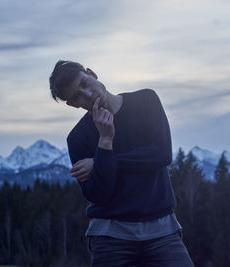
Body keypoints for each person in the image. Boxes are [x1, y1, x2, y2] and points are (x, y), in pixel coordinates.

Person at [49, 60, 194, 266]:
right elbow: (98, 195)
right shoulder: (77, 138)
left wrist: (100, 162)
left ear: (92, 73)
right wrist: (105, 142)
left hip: (161, 230)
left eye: (84, 83)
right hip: (110, 238)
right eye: (76, 96)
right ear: (73, 104)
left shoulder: (146, 101)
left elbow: (161, 154)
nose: (87, 95)